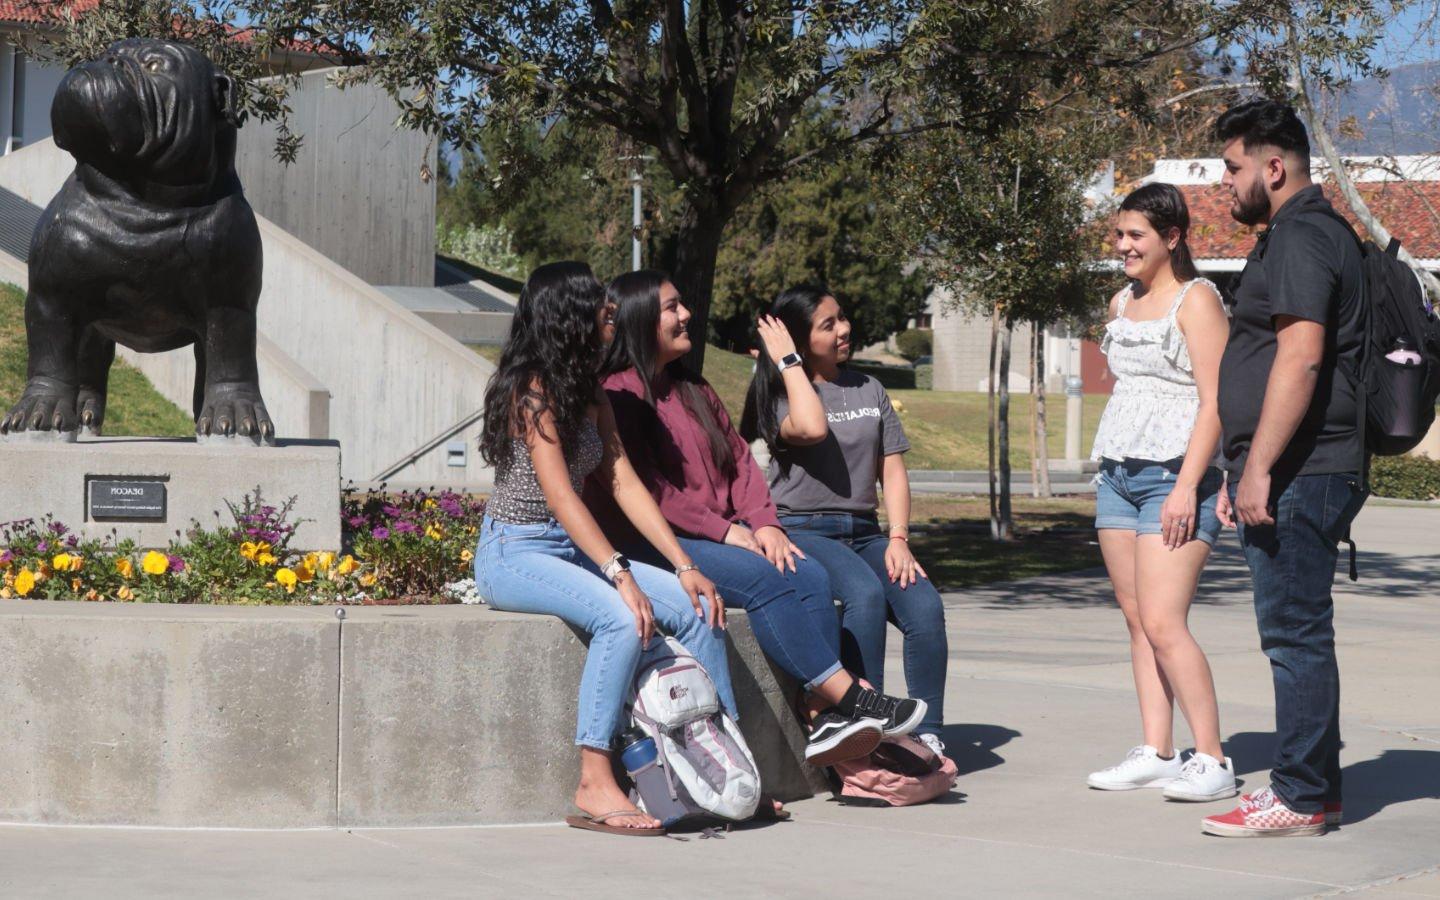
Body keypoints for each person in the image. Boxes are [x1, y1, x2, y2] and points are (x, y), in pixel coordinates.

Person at [591, 269, 927, 768]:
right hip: (661, 544)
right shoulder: (620, 393)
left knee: (805, 571)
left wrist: (764, 522)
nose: (686, 314)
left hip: (727, 532)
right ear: (641, 318)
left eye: (683, 303)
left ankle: (823, 713)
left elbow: (740, 462)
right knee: (768, 581)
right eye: (672, 307)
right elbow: (649, 490)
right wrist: (726, 530)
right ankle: (848, 699)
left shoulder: (692, 386)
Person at [473, 261, 734, 838]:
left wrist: (685, 566)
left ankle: (726, 768)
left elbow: (623, 482)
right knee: (622, 619)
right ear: (568, 315)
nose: (608, 309)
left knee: (700, 608)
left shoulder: (588, 389)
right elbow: (562, 496)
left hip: (568, 550)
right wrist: (619, 573)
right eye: (596, 302)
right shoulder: (530, 390)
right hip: (513, 553)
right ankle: (594, 778)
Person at [1202, 100, 1367, 838]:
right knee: (1302, 632)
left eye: (1233, 168)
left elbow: (1299, 358)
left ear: (1274, 167)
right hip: (1298, 467)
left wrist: (1257, 469)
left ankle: (1298, 796)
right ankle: (1318, 791)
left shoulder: (1303, 235)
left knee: (1293, 635)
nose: (1225, 185)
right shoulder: (1299, 234)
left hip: (1303, 468)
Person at [738, 285, 949, 757]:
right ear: (797, 338)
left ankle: (928, 731)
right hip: (804, 529)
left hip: (867, 532)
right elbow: (808, 430)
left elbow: (891, 468)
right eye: (828, 324)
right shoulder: (778, 396)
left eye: (842, 319)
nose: (844, 329)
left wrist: (899, 537)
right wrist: (787, 363)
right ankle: (864, 721)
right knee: (864, 595)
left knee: (925, 608)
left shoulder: (870, 387)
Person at [1084, 183, 1238, 804]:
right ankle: (1156, 751)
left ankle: (1212, 758)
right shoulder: (1123, 300)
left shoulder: (1198, 301)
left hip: (1174, 479)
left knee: (1164, 621)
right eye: (1119, 235)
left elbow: (1216, 402)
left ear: (1171, 238)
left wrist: (1186, 488)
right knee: (1136, 622)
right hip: (1118, 473)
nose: (1122, 246)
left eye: (1135, 236)